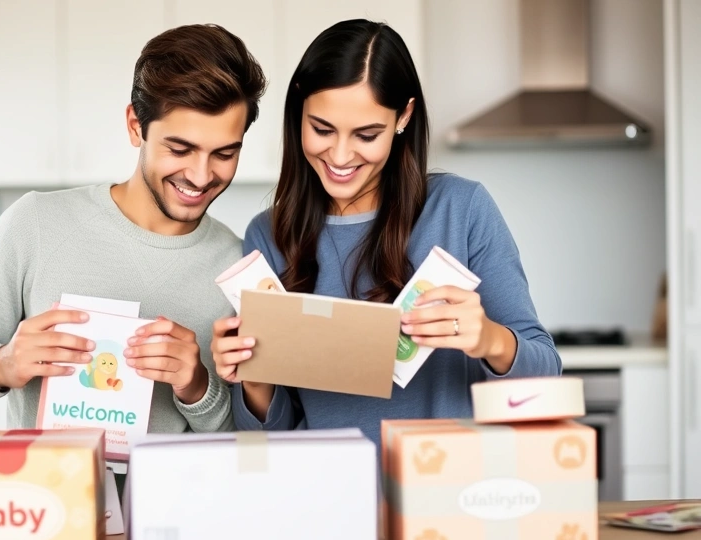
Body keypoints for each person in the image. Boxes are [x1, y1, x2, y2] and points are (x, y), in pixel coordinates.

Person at [211, 19, 561, 451]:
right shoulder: (269, 236)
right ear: (299, 108)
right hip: (331, 488)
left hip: (449, 483)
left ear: (404, 117)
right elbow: (268, 441)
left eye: (366, 134)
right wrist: (253, 376)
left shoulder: (460, 209)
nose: (340, 155)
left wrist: (489, 338)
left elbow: (546, 376)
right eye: (322, 129)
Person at [0, 24, 267, 439]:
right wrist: (3, 363)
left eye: (224, 154)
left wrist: (197, 388)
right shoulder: (36, 223)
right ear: (136, 126)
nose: (200, 175)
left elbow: (244, 442)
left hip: (170, 484)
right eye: (180, 149)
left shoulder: (237, 267)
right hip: (47, 482)